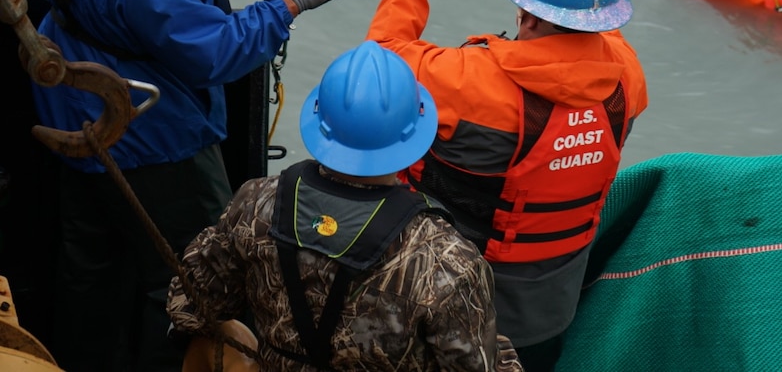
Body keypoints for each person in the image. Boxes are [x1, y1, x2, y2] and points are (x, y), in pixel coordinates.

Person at [31, 0, 360, 372]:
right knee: (193, 279)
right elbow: (214, 53)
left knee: (91, 261)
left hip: (75, 112)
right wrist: (291, 0)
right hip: (150, 137)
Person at [365, 0, 649, 371]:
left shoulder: (471, 81)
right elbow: (605, 36)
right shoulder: (627, 82)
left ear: (527, 16)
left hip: (449, 303)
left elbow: (380, 62)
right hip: (549, 312)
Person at [166, 41, 524, 372]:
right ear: (413, 134)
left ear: (320, 124)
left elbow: (192, 305)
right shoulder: (444, 259)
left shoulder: (255, 203)